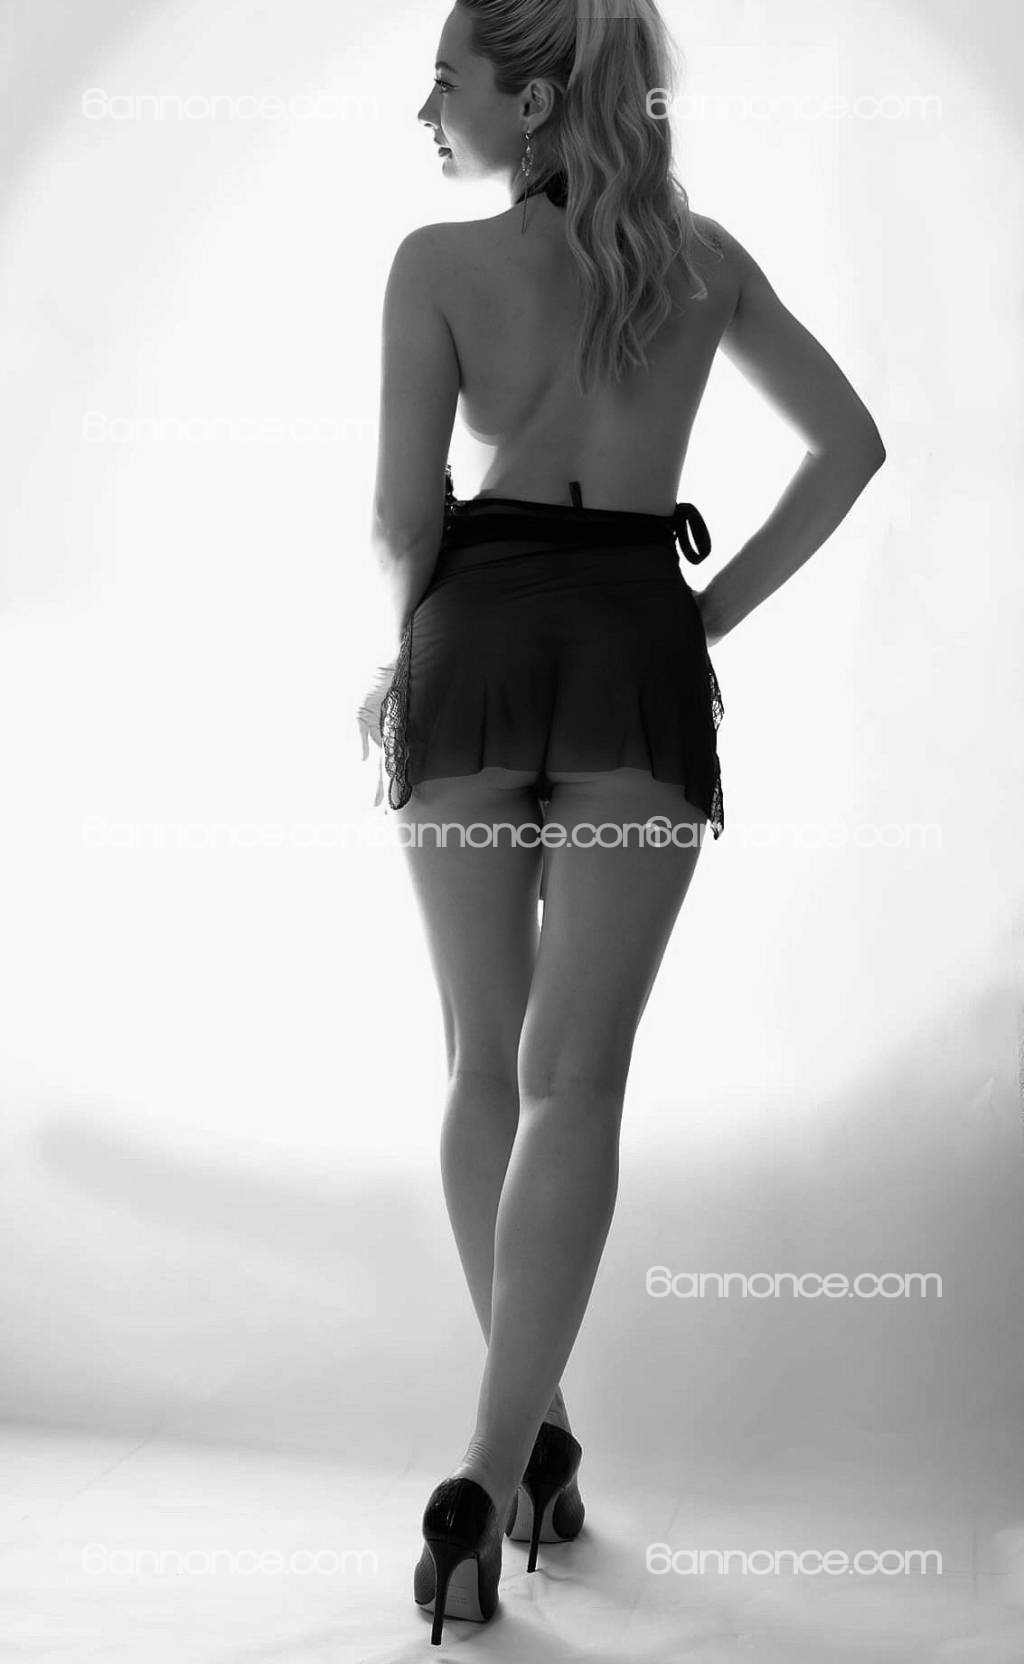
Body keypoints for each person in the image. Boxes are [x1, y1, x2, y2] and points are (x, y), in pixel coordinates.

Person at [355, 0, 885, 1644]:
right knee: (572, 1083)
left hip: (472, 648)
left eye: (447, 80)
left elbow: (403, 517)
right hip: (632, 665)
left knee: (480, 1066)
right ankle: (503, 1462)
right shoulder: (699, 261)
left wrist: (403, 669)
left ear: (529, 97)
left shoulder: (436, 268)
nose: (428, 109)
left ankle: (518, 1456)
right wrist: (699, 620)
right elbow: (852, 446)